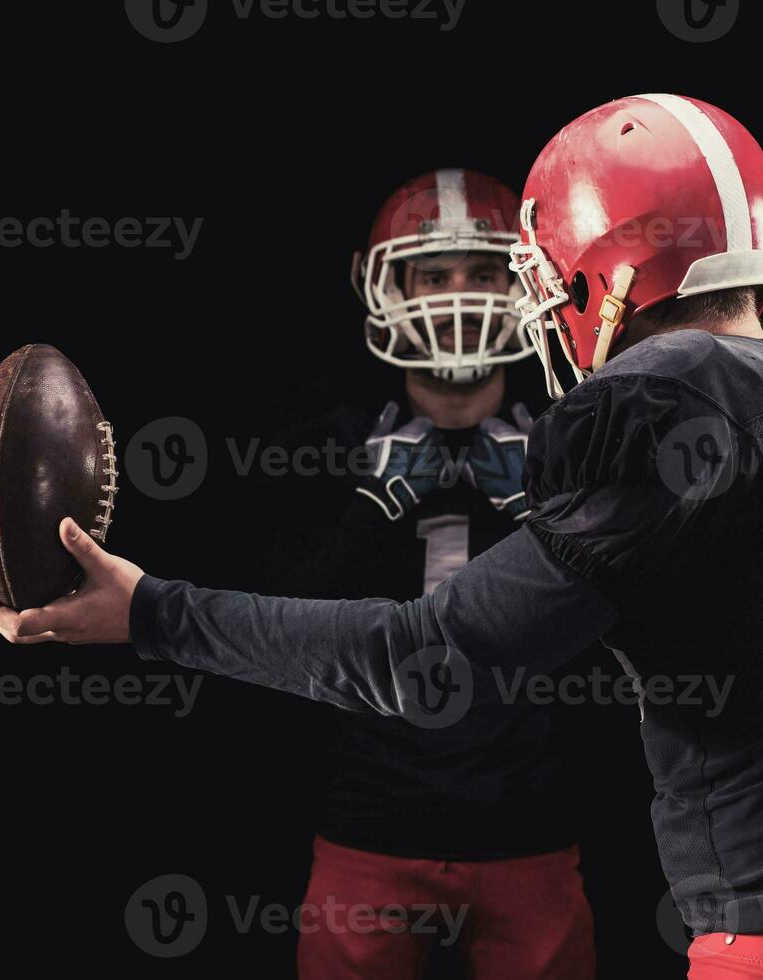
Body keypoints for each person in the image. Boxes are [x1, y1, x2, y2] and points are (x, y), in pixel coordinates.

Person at [0, 94, 763, 979]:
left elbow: (425, 658)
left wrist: (153, 610)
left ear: (608, 283)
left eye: (555, 285)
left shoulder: (672, 410)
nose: (547, 313)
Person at [255, 168, 595, 979]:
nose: (457, 298)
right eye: (433, 275)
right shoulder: (325, 442)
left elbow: (629, 643)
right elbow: (281, 640)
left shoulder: (576, 439)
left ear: (522, 286)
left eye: (482, 273)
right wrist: (371, 513)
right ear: (387, 287)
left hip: (530, 826)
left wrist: (544, 519)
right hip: (369, 823)